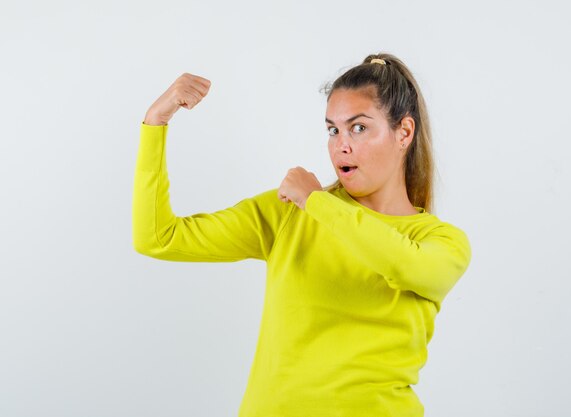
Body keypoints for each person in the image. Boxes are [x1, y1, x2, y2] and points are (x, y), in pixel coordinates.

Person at [132, 53, 472, 417]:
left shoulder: (440, 241)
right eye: (333, 129)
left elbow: (403, 265)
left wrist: (317, 202)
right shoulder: (287, 213)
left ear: (404, 132)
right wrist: (156, 121)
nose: (342, 144)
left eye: (358, 127)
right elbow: (158, 237)